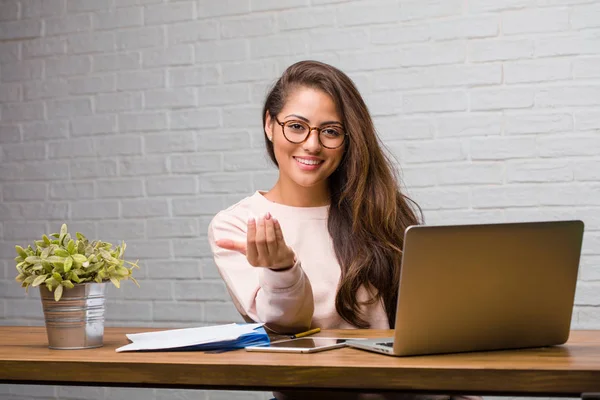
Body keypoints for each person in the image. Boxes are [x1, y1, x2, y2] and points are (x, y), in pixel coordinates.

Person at [208, 60, 477, 400]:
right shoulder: (238, 222)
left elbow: (428, 322)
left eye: (330, 131)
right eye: (296, 126)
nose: (312, 144)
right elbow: (287, 328)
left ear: (348, 140)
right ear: (269, 125)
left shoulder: (379, 209)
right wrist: (282, 269)